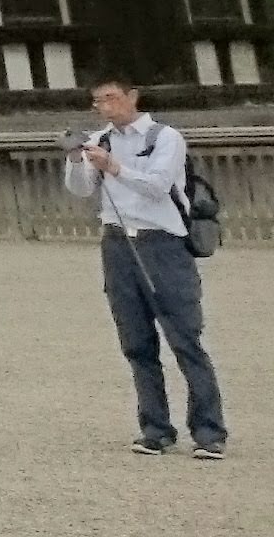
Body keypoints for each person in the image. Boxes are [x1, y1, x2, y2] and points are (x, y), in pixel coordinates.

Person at [65, 75, 227, 460]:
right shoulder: (100, 139)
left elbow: (157, 185)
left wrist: (114, 167)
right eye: (98, 101)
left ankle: (209, 430)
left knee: (185, 338)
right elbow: (82, 188)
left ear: (132, 97)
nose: (105, 106)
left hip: (163, 243)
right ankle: (155, 428)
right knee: (136, 342)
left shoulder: (165, 138)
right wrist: (75, 159)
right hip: (117, 242)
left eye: (111, 97)